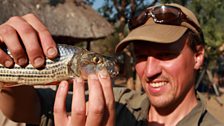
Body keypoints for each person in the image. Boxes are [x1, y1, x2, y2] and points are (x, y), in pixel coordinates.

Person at [0, 3, 223, 126]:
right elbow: (29, 109)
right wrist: (7, 72)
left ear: (198, 56)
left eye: (165, 54)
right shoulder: (118, 101)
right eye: (141, 56)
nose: (150, 70)